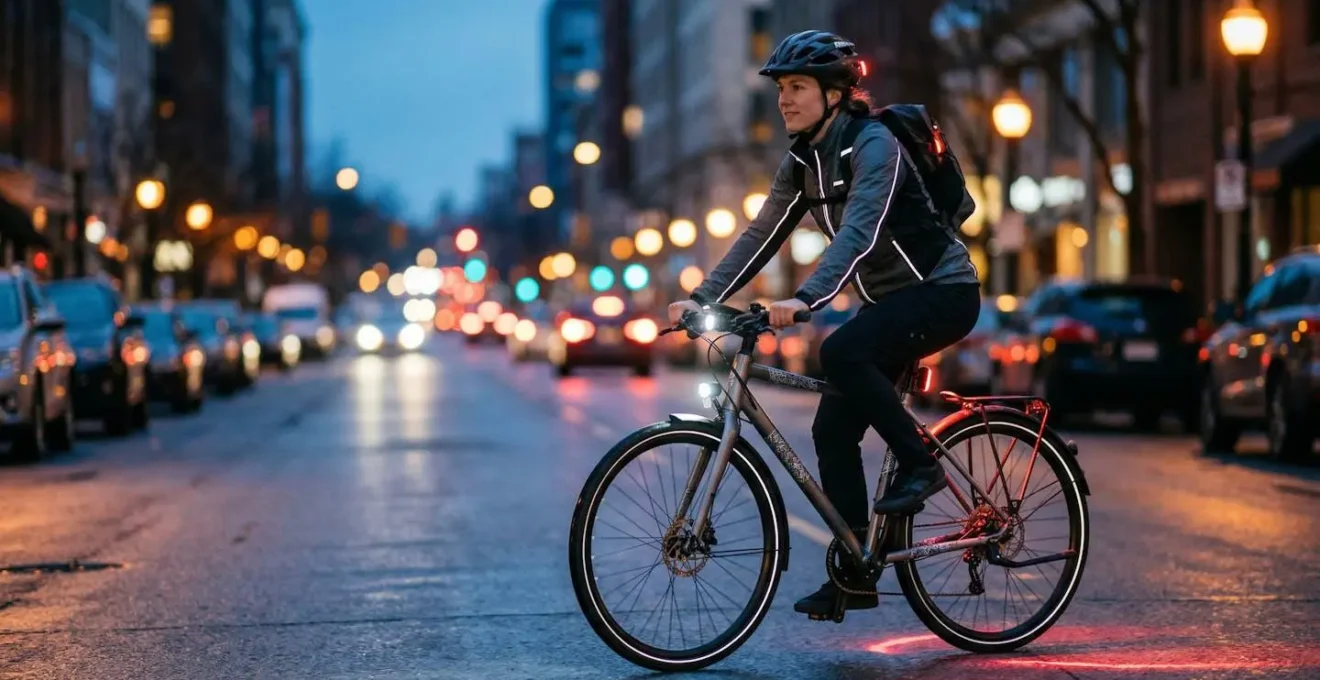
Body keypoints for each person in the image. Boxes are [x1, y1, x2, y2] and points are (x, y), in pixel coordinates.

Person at [667, 30, 982, 617]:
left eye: (797, 87)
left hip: (943, 293)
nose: (784, 99)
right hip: (889, 304)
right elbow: (762, 233)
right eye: (781, 89)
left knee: (841, 352)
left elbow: (859, 233)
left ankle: (922, 466)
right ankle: (857, 571)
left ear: (835, 94)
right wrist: (702, 296)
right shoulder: (803, 161)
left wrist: (806, 298)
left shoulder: (875, 145)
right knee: (832, 431)